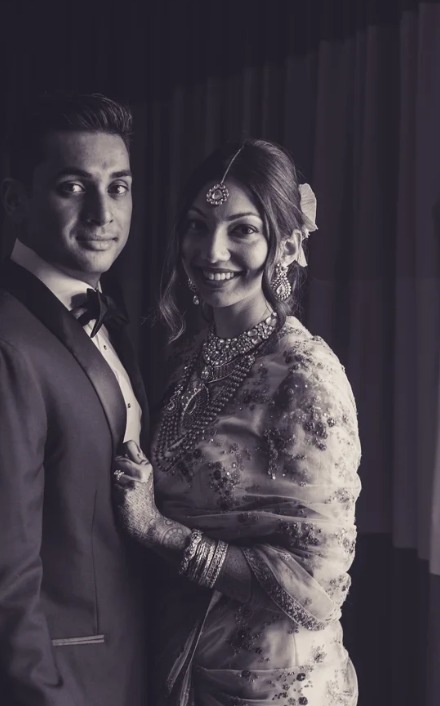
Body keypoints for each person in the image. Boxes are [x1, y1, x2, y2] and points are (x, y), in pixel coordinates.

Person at [113, 138, 361, 706]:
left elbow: (317, 587)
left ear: (287, 245)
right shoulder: (192, 357)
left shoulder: (304, 374)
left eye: (242, 230)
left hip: (271, 686)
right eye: (197, 226)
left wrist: (157, 531)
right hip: (187, 663)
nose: (211, 250)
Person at [0, 93, 149, 706]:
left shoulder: (102, 321)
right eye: (73, 187)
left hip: (117, 673)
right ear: (15, 201)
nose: (103, 212)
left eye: (119, 187)